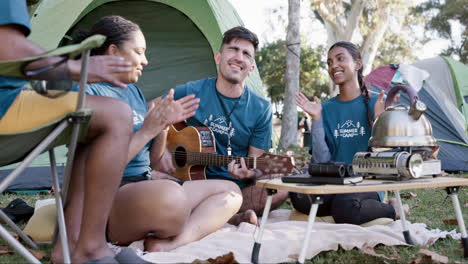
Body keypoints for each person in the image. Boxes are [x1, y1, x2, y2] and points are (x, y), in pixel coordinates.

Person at [76, 15, 243, 253]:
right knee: (172, 198)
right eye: (139, 52)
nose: (145, 61)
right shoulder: (89, 92)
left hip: (145, 185)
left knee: (231, 191)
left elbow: (154, 161)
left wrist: (163, 126)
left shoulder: (133, 92)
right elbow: (97, 169)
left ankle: (174, 242)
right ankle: (194, 219)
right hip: (108, 196)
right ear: (113, 52)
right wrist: (147, 130)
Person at [0, 1, 142, 264]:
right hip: (4, 109)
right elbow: (7, 46)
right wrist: (71, 67)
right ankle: (89, 248)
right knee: (115, 115)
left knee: (92, 119)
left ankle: (73, 244)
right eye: (139, 51)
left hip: (10, 100)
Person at [156, 26, 288, 225]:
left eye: (246, 54)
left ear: (251, 68)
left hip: (233, 188)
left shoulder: (261, 108)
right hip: (186, 183)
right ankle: (224, 216)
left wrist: (248, 172)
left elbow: (255, 160)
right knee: (152, 177)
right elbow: (152, 109)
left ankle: (212, 211)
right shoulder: (193, 91)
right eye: (233, 49)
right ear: (218, 57)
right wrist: (161, 150)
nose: (239, 57)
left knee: (281, 188)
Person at [294, 41, 406, 225]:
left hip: (368, 182)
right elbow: (322, 161)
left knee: (345, 206)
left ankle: (393, 209)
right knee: (299, 197)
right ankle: (352, 208)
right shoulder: (325, 108)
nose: (333, 66)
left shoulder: (378, 102)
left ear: (358, 64)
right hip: (335, 182)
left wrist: (380, 121)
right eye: (329, 62)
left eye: (340, 59)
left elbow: (390, 159)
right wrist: (317, 120)